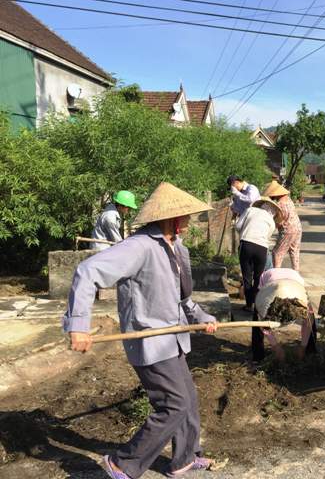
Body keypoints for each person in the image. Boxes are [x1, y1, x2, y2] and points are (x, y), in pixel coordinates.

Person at [63, 182, 218, 479]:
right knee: (174, 403)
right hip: (149, 341)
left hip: (174, 338)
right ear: (169, 218)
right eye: (185, 216)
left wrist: (201, 316)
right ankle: (123, 462)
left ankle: (183, 458)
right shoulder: (139, 247)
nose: (189, 221)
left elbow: (182, 297)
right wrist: (78, 325)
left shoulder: (176, 248)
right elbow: (87, 272)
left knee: (188, 399)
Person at [235, 197, 282, 312]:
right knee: (258, 278)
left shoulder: (250, 210)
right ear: (273, 212)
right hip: (262, 249)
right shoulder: (271, 221)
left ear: (262, 205)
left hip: (246, 244)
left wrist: (245, 232)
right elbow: (268, 236)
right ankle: (257, 305)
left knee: (247, 277)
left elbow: (237, 226)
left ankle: (248, 305)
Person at [264, 181, 303, 271]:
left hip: (288, 230)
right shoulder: (288, 200)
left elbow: (278, 222)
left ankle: (276, 274)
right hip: (297, 228)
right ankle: (296, 274)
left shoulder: (279, 205)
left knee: (277, 253)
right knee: (294, 252)